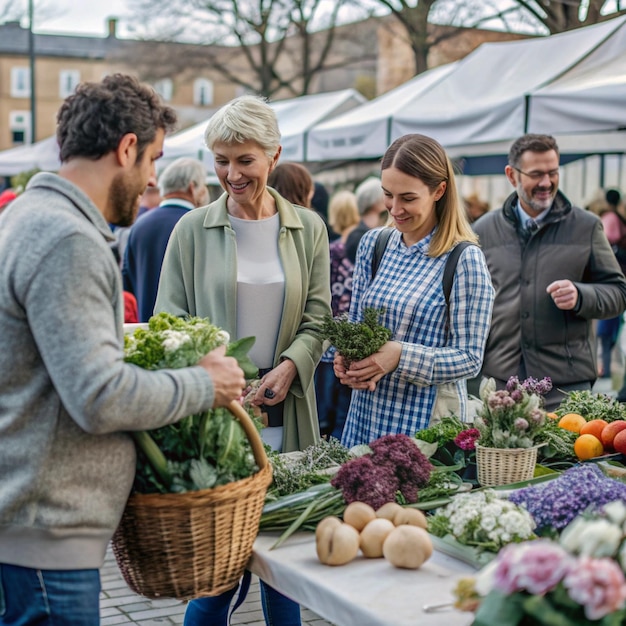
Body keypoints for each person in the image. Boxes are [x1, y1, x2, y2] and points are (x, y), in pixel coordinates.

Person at [0, 74, 246, 626]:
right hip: (45, 545)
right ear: (127, 148)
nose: (152, 179)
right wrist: (206, 383)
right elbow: (100, 396)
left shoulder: (24, 216)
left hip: (28, 534)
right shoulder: (68, 239)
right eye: (153, 160)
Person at [154, 94, 331, 626]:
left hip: (287, 419)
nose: (232, 173)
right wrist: (217, 377)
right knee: (216, 580)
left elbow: (319, 316)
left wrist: (290, 367)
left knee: (285, 577)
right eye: (222, 160)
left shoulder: (309, 228)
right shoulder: (190, 230)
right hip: (221, 423)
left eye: (245, 160)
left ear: (273, 155)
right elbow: (168, 319)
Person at [334, 134, 495, 448]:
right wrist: (346, 357)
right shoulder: (374, 244)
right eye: (387, 195)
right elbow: (356, 325)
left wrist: (400, 356)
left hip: (425, 433)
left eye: (407, 198)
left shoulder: (463, 259)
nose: (395, 209)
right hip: (365, 418)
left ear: (439, 190)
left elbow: (470, 358)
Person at [473, 134, 626, 410]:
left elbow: (618, 292)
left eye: (553, 172)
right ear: (512, 175)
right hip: (502, 385)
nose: (546, 182)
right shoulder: (483, 231)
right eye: (536, 174)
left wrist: (581, 295)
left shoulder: (586, 226)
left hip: (566, 388)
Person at [122, 157, 209, 321]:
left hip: (147, 329)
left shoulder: (139, 226)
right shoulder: (198, 226)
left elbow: (126, 281)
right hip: (188, 332)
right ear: (192, 187)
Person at [315, 189, 360, 439]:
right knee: (345, 397)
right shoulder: (362, 244)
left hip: (331, 329)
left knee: (328, 393)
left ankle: (327, 433)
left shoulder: (331, 249)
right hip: (354, 329)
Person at [597, 188, 626, 378]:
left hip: (611, 280)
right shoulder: (621, 219)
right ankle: (608, 367)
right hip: (621, 278)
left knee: (606, 329)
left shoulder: (609, 218)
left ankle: (606, 368)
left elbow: (605, 242)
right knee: (614, 327)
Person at [344, 176, 388, 264]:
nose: (386, 198)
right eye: (383, 194)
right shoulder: (357, 236)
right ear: (373, 200)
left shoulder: (384, 226)